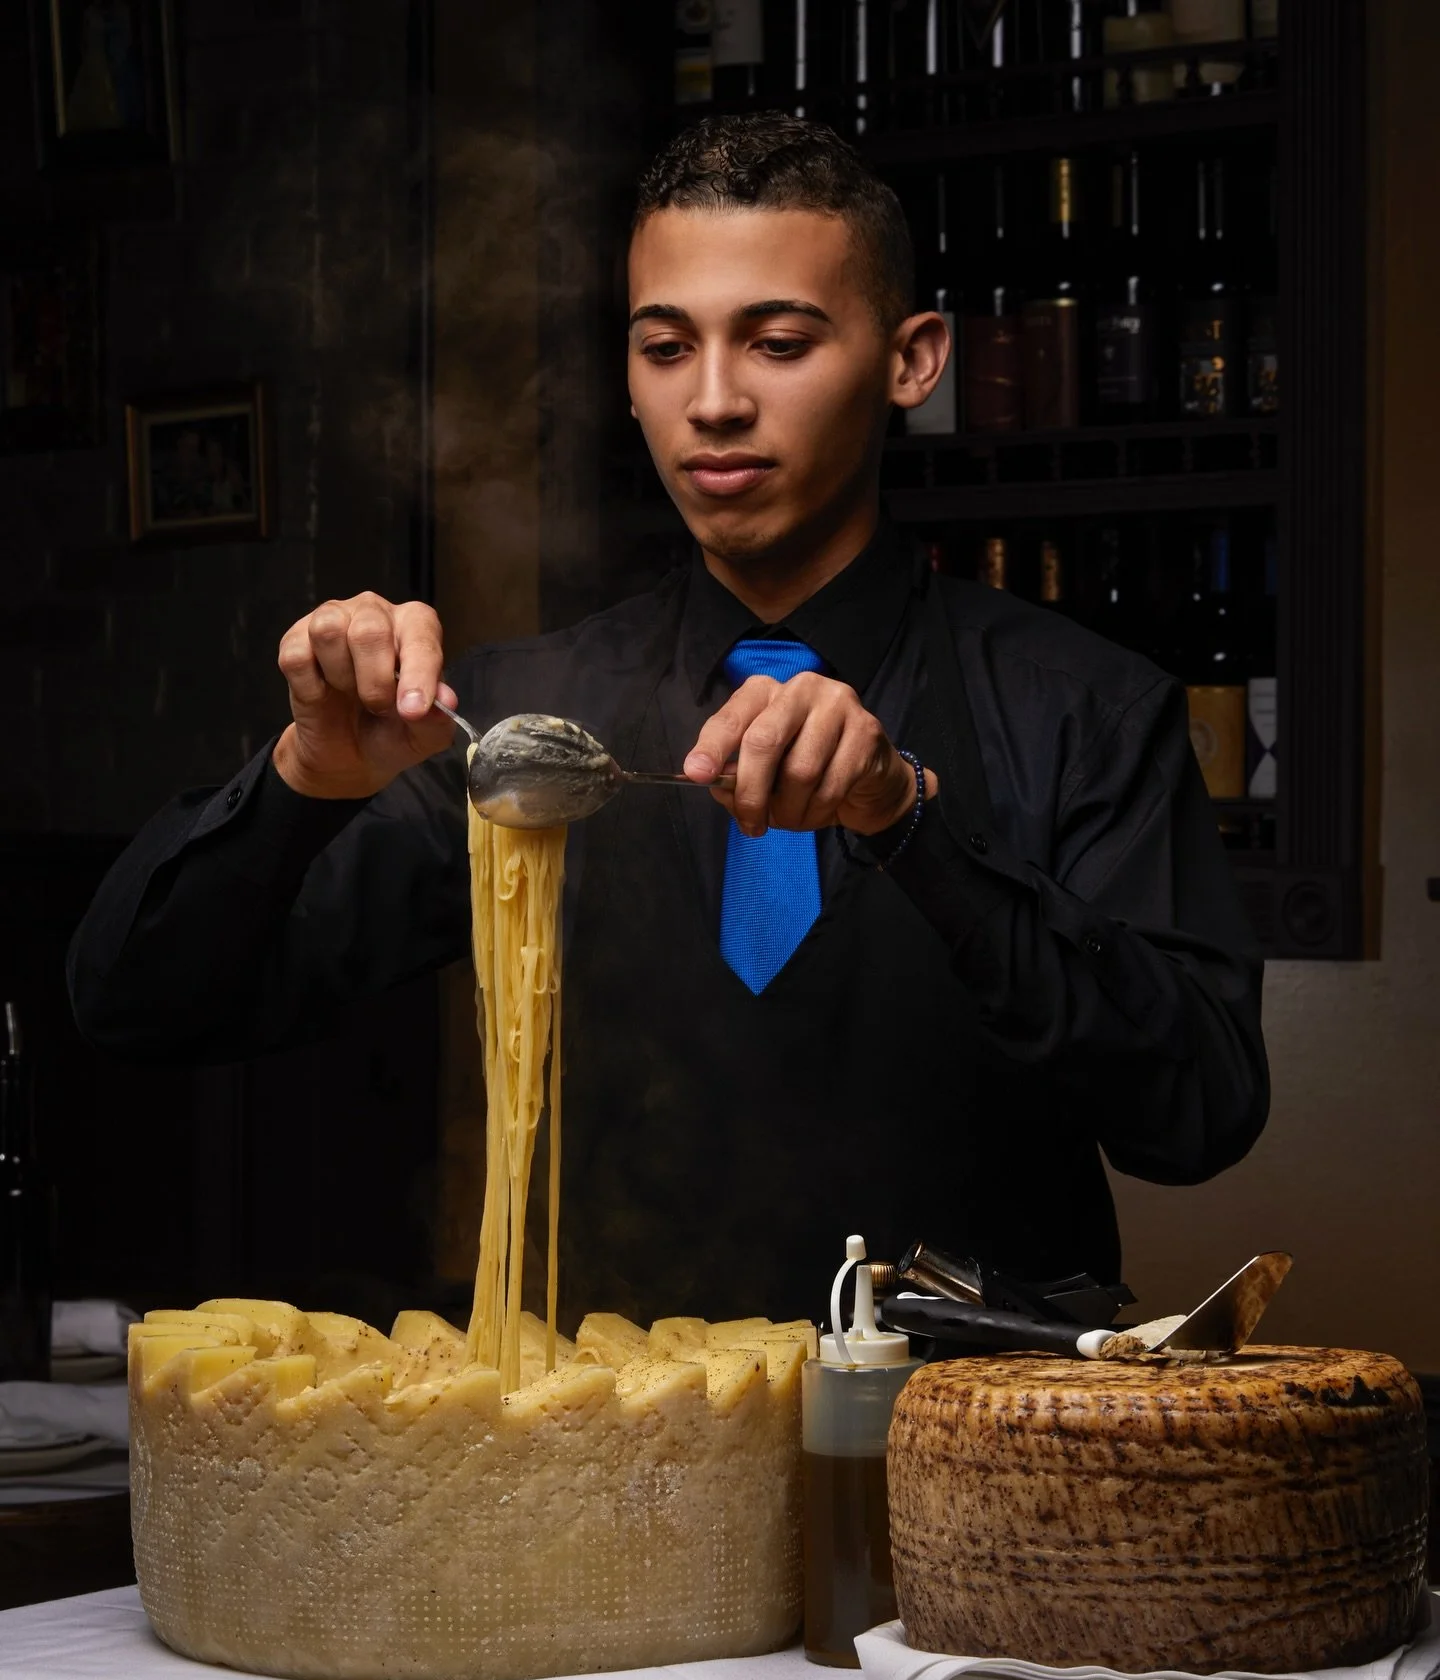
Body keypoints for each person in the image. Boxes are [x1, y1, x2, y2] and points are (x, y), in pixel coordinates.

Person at [69, 114, 1268, 1328]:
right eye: (663, 346)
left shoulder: (1086, 707)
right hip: (615, 1448)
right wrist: (300, 782)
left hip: (970, 1460)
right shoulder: (522, 729)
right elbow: (138, 1003)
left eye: (780, 342)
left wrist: (909, 822)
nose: (712, 402)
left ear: (913, 361)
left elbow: (1199, 1116)